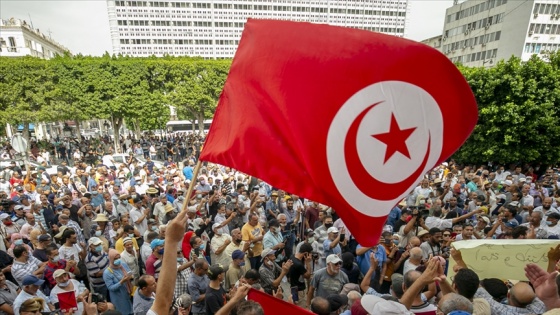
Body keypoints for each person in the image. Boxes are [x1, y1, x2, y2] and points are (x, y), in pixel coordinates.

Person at [103, 249, 133, 315]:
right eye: (115, 259)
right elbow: (110, 288)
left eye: (119, 258)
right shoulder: (107, 272)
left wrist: (130, 277)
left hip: (128, 294)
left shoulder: (122, 265)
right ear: (111, 259)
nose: (118, 260)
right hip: (119, 298)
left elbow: (129, 272)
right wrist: (121, 282)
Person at [288, 243, 313, 307]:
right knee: (300, 306)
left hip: (293, 286)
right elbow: (307, 276)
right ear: (306, 253)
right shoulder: (299, 264)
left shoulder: (292, 256)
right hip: (299, 290)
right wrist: (308, 263)